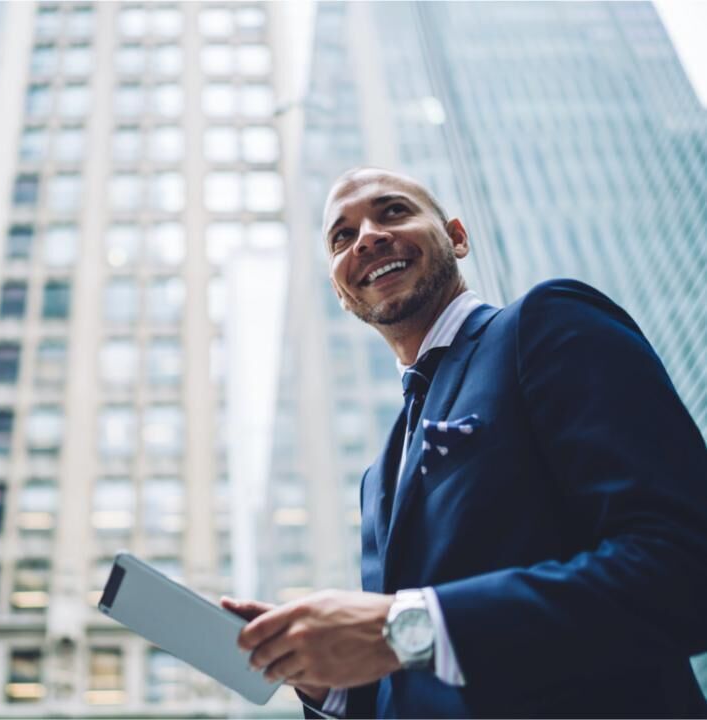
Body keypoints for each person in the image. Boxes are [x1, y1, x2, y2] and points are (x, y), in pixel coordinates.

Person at [221, 167, 707, 717]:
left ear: (456, 237)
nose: (368, 237)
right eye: (342, 236)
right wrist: (326, 682)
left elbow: (684, 564)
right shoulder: (378, 475)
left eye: (393, 212)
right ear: (340, 291)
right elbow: (415, 676)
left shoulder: (545, 324)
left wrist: (397, 628)